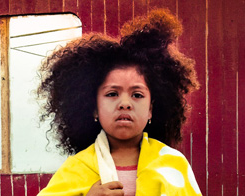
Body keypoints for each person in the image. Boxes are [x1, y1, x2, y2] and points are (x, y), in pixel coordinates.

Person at [37, 9, 202, 196]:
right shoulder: (76, 168)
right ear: (94, 110)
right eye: (112, 94)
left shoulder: (174, 164)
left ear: (151, 109)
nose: (125, 103)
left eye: (137, 95)